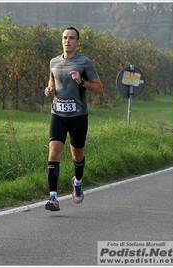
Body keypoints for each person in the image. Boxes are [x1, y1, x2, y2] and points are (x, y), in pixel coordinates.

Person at [44, 27, 103, 211]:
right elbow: (52, 81)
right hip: (58, 114)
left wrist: (81, 81)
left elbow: (99, 88)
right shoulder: (54, 61)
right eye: (64, 38)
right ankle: (53, 197)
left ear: (77, 42)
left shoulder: (84, 62)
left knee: (77, 155)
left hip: (78, 116)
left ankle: (77, 181)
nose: (67, 41)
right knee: (54, 152)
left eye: (71, 38)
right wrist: (49, 89)